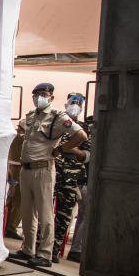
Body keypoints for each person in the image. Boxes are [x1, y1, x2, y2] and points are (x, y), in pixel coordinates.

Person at [8, 83, 88, 267]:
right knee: (28, 212)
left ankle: (44, 254)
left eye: (43, 94)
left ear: (51, 97)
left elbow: (81, 136)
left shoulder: (58, 117)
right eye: (36, 94)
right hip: (26, 169)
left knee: (45, 213)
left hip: (43, 169)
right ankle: (28, 249)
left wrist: (62, 148)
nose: (39, 98)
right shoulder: (30, 116)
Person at [52, 93, 93, 262]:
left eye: (78, 103)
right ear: (66, 103)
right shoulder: (56, 123)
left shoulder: (84, 128)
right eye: (72, 102)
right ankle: (40, 247)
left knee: (64, 215)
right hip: (52, 171)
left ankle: (53, 250)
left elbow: (87, 155)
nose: (74, 105)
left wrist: (69, 148)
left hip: (72, 178)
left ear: (82, 107)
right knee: (44, 212)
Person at [4, 124, 25, 240]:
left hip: (12, 169)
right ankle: (11, 228)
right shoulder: (22, 139)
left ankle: (6, 225)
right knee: (19, 202)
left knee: (11, 199)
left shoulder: (13, 137)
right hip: (20, 171)